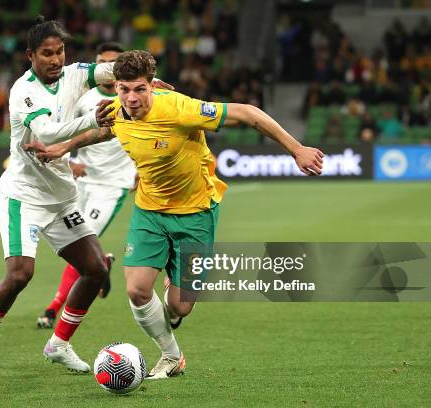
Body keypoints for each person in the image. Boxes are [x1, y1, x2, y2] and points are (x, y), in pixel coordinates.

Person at [25, 50, 324, 379]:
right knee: (137, 290)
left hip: (195, 213)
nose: (131, 98)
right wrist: (61, 147)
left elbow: (248, 113)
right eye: (124, 89)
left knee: (179, 306)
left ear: (152, 85)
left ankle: (175, 302)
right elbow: (104, 130)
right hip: (150, 211)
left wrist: (297, 149)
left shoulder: (180, 108)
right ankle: (171, 356)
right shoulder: (116, 109)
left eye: (139, 89)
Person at [0, 19, 172, 377]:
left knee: (95, 269)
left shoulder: (76, 73)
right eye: (47, 53)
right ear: (30, 55)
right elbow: (46, 132)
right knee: (20, 275)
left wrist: (143, 82)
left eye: (60, 51)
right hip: (24, 197)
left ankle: (59, 343)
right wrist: (91, 119)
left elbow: (112, 70)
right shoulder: (23, 92)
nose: (55, 59)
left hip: (63, 197)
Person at [36, 42, 138, 329]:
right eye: (103, 62)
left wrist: (141, 169)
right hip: (82, 182)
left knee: (81, 240)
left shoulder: (133, 99)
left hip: (114, 185)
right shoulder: (83, 97)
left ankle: (54, 308)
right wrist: (68, 161)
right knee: (65, 238)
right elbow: (58, 130)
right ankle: (101, 262)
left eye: (114, 62)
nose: (108, 67)